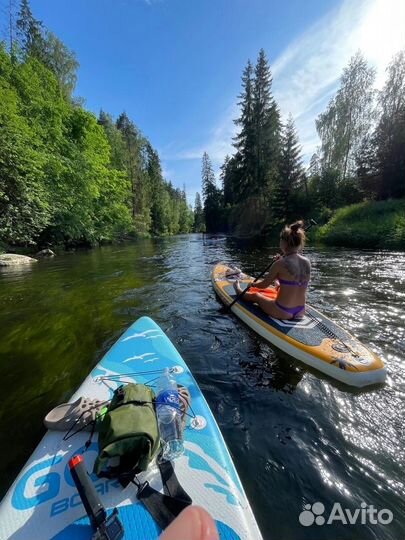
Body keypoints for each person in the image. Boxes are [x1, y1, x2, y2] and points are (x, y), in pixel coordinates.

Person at [233, 221, 311, 320]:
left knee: (256, 296)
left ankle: (238, 290)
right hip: (300, 310)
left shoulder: (279, 264)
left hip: (282, 311)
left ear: (284, 243)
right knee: (279, 286)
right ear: (299, 243)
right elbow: (293, 281)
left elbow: (264, 285)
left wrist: (252, 284)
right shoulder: (307, 262)